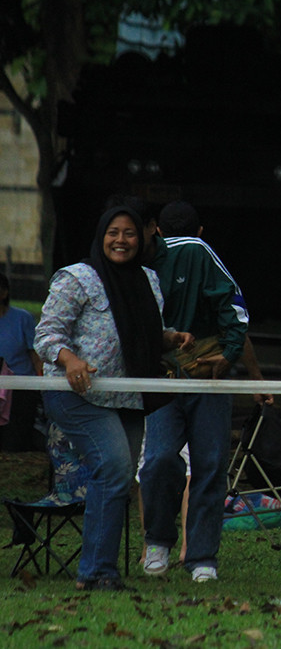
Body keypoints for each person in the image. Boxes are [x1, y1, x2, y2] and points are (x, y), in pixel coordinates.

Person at [33, 205, 193, 591]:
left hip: (129, 398)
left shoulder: (149, 280)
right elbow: (46, 335)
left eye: (130, 234)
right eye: (113, 233)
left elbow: (142, 333)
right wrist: (70, 359)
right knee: (116, 467)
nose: (121, 240)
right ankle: (96, 572)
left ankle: (100, 568)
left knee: (118, 478)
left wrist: (170, 339)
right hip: (77, 395)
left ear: (142, 239)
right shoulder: (76, 278)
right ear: (101, 235)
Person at [140, 198, 251, 583]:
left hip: (206, 375)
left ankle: (202, 556)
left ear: (155, 228)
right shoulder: (131, 260)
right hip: (162, 377)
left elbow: (233, 308)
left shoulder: (195, 251)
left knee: (210, 463)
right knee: (158, 460)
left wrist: (228, 356)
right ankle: (158, 538)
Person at [0, 270, 44, 451]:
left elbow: (35, 354)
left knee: (16, 441)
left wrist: (42, 382)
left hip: (20, 387)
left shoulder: (22, 318)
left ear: (4, 292)